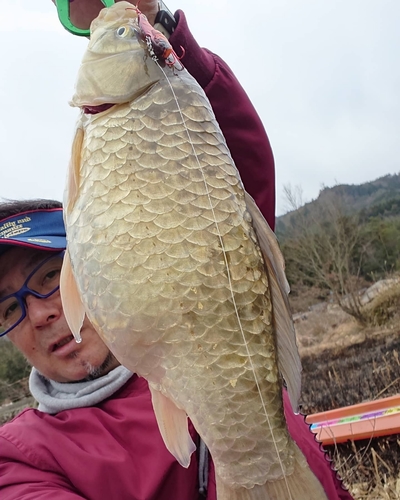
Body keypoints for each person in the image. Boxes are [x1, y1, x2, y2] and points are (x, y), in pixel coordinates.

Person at [0, 1, 353, 499]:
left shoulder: (221, 338)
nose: (37, 314)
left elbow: (226, 174)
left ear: (91, 260)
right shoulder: (18, 460)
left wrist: (158, 32)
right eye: (5, 307)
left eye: (46, 278)